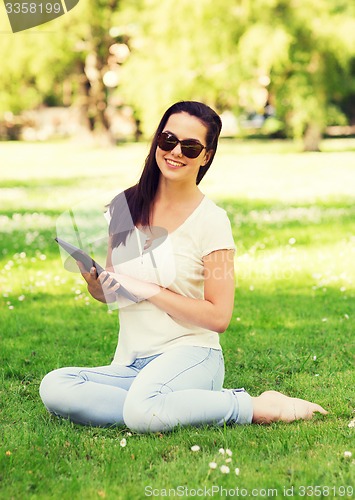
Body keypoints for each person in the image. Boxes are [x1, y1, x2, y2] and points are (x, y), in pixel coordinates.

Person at [39, 101, 327, 432]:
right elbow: (114, 293)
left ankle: (254, 405)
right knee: (56, 386)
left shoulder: (212, 221)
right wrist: (96, 284)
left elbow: (219, 317)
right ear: (157, 140)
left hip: (192, 355)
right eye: (168, 139)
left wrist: (152, 291)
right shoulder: (125, 207)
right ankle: (165, 404)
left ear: (206, 156)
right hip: (133, 362)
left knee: (142, 412)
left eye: (190, 147)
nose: (176, 152)